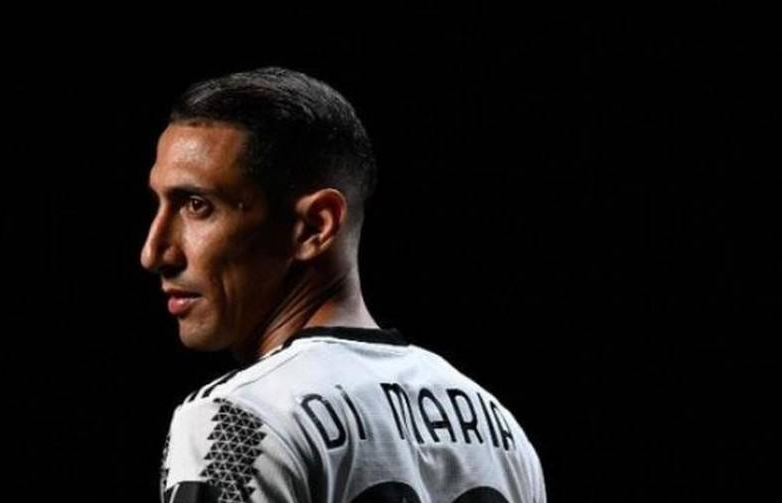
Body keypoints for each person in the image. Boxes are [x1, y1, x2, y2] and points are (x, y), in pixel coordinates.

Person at [141, 67, 546, 503]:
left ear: (315, 226)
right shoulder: (502, 432)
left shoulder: (235, 421)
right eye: (159, 204)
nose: (154, 252)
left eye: (197, 205)